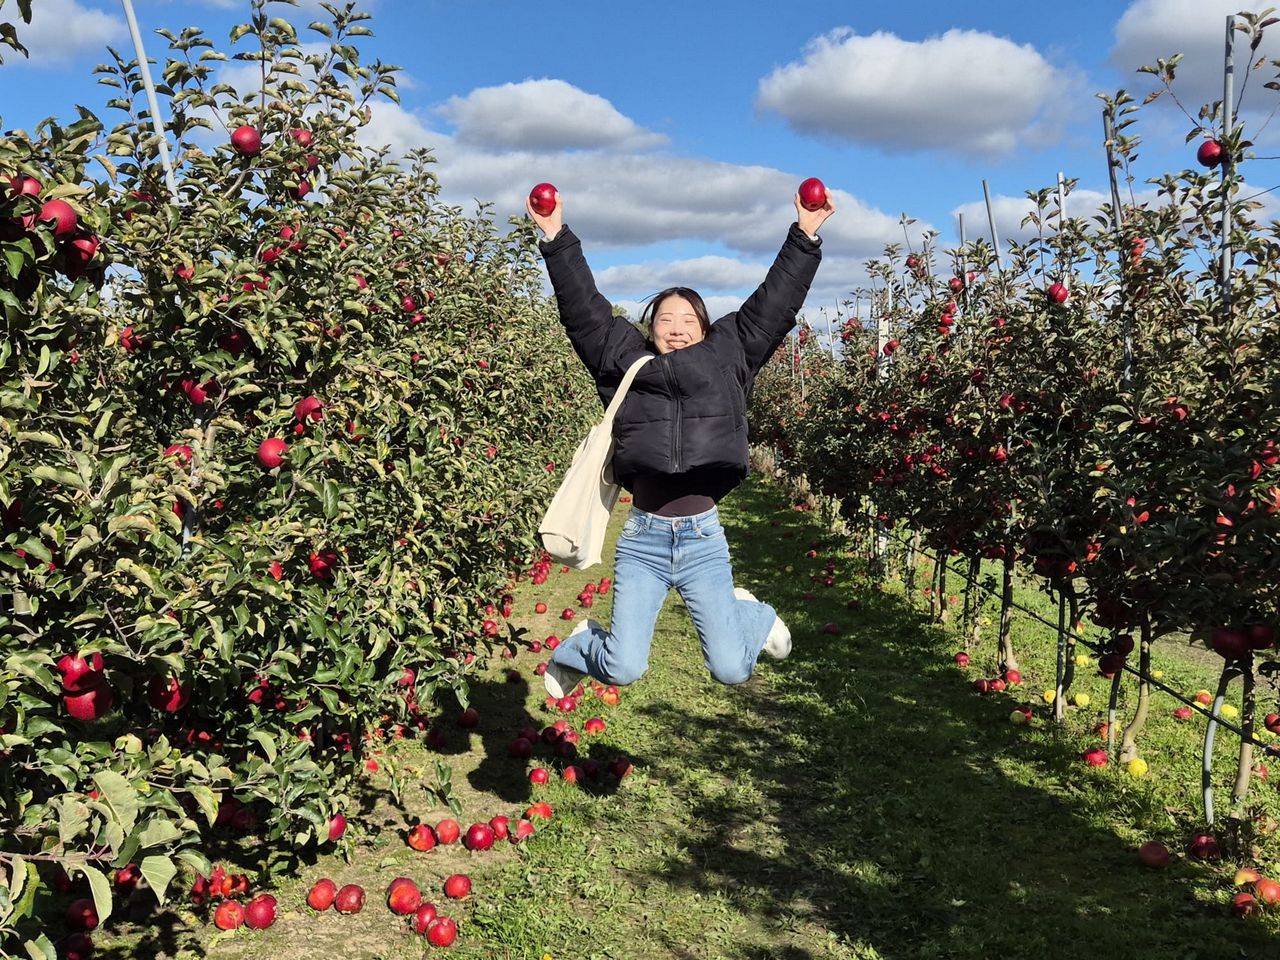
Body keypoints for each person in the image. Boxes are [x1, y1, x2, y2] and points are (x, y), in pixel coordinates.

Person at [527, 187, 834, 697]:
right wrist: (556, 237)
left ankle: (751, 614)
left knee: (732, 670)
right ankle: (578, 647)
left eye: (688, 319)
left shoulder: (729, 354)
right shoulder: (624, 360)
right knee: (623, 667)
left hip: (702, 540)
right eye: (665, 319)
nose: (676, 328)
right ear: (651, 328)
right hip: (643, 539)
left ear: (705, 328)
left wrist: (804, 235)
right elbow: (583, 311)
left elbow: (773, 307)